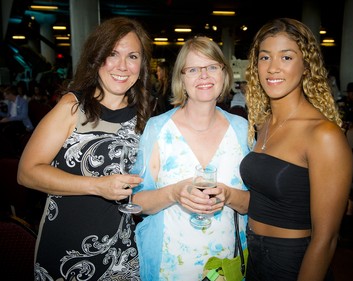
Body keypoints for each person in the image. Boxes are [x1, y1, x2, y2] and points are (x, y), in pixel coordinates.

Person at [17, 16, 152, 280]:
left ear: (142, 64)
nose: (123, 66)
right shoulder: (72, 106)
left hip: (123, 253)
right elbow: (27, 172)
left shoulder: (148, 116)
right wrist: (96, 186)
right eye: (112, 54)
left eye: (133, 56)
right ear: (96, 57)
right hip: (66, 248)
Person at [239, 18, 353, 281]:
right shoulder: (263, 124)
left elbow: (326, 240)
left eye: (286, 57)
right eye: (265, 57)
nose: (273, 68)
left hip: (293, 263)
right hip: (252, 257)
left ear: (306, 66)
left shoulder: (324, 135)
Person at [132, 36, 250, 280]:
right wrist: (174, 193)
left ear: (224, 74)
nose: (204, 75)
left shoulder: (242, 129)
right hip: (168, 267)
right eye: (193, 69)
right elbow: (136, 202)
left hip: (227, 266)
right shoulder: (157, 129)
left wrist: (228, 195)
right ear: (181, 80)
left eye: (212, 67)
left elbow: (254, 203)